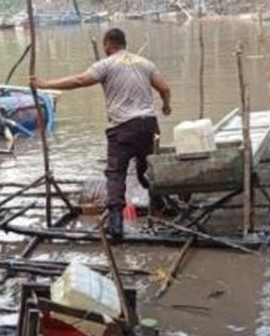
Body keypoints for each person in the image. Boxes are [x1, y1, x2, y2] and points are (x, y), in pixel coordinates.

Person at [31, 28, 172, 238]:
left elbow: (79, 81)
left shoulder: (106, 64)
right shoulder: (145, 63)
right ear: (124, 43)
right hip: (149, 126)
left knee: (116, 174)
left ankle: (115, 223)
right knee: (147, 169)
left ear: (107, 45)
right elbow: (165, 88)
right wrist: (166, 106)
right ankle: (162, 203)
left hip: (122, 128)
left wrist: (44, 84)